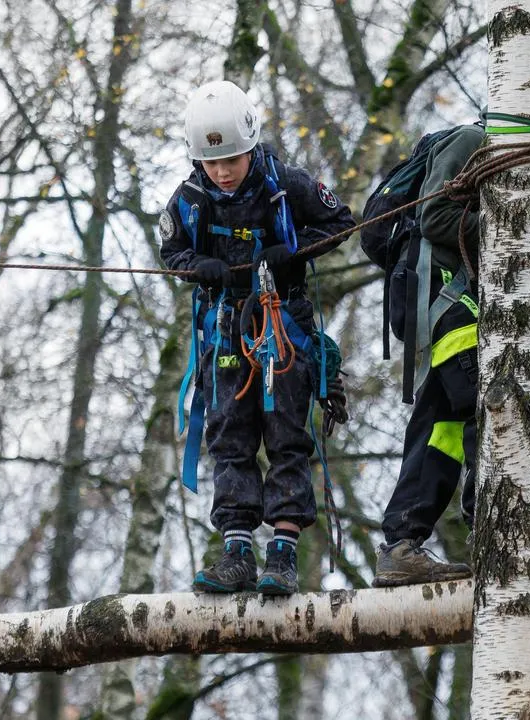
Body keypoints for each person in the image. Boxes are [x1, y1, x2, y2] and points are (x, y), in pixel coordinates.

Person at [371, 108, 530, 587]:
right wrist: (528, 234)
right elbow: (436, 217)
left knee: (440, 429)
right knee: (494, 401)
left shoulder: (516, 163)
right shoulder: (473, 141)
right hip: (444, 301)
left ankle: (401, 543)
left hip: (455, 303)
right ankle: (499, 528)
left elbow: (510, 223)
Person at [160, 80, 354, 596]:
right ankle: (237, 550)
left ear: (250, 147)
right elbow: (171, 252)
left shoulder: (286, 184)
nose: (222, 173)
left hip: (281, 324)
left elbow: (341, 221)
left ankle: (283, 554)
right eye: (212, 163)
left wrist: (292, 253)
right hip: (223, 332)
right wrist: (197, 266)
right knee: (229, 436)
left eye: (232, 161)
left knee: (287, 433)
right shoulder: (190, 200)